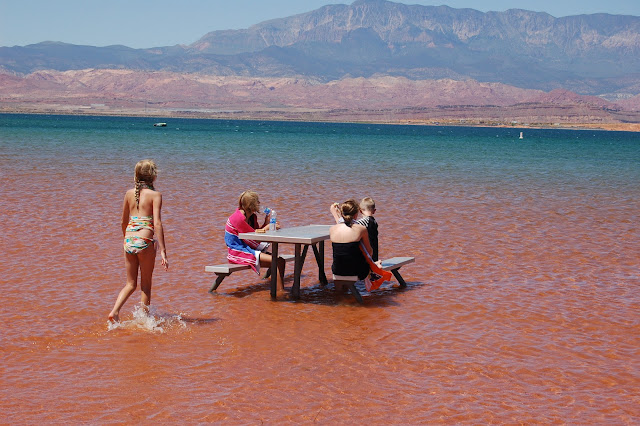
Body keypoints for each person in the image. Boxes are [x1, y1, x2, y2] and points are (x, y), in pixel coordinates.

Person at [109, 159, 168, 323]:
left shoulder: (129, 194)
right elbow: (157, 223)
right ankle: (144, 321)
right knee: (146, 285)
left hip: (129, 239)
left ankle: (114, 311)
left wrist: (127, 240)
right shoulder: (156, 195)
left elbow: (123, 222)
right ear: (153, 176)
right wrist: (163, 250)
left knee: (130, 284)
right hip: (144, 239)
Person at [225, 190, 287, 295]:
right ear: (251, 205)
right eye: (257, 202)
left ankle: (278, 290)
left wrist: (266, 223)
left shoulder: (252, 217)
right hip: (238, 252)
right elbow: (254, 238)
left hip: (248, 248)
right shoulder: (238, 218)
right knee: (275, 261)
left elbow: (255, 234)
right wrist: (268, 227)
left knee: (280, 261)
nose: (259, 204)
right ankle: (280, 294)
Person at [329, 199, 373, 285]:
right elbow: (369, 251)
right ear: (356, 214)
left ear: (342, 214)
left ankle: (340, 295)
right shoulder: (361, 229)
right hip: (356, 271)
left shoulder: (332, 229)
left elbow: (341, 225)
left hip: (337, 270)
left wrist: (335, 213)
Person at [355, 197, 379, 262]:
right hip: (374, 255)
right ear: (374, 211)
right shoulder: (374, 221)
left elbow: (351, 226)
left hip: (367, 256)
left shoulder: (365, 221)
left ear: (360, 211)